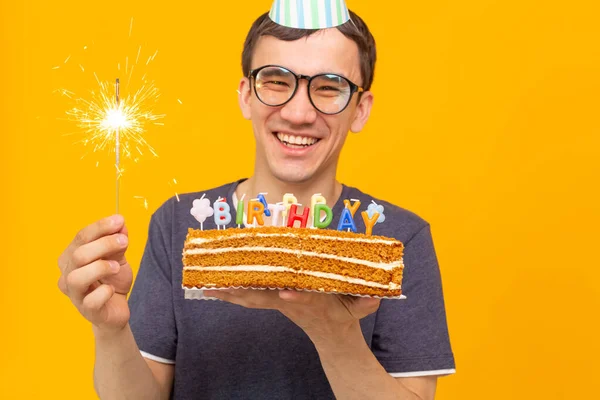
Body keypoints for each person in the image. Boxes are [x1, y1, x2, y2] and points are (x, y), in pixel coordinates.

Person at [58, 3, 455, 399]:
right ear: (246, 95)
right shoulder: (179, 225)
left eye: (329, 87)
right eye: (276, 81)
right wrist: (110, 331)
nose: (299, 113)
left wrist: (330, 329)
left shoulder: (397, 241)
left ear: (360, 109)